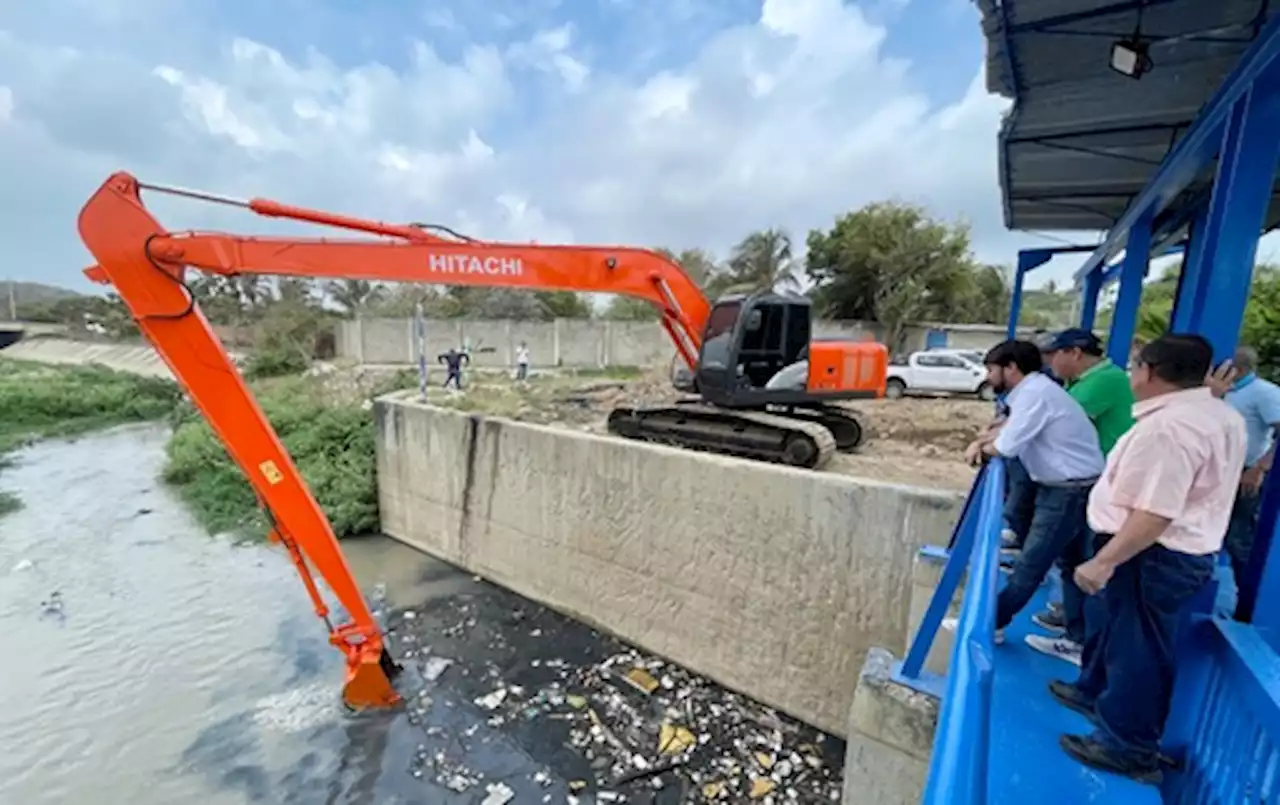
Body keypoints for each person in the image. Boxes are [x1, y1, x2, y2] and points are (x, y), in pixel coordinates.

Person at [1051, 334, 1245, 784]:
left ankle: (1127, 746)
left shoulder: (1171, 429)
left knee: (1136, 650)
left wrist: (1104, 562)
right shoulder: (1218, 414)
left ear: (1150, 370)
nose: (1131, 374)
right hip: (1165, 552)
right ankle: (1093, 692)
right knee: (1119, 634)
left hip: (1151, 554)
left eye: (1135, 365)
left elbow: (1156, 512)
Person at [962, 340, 1105, 646]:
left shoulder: (1034, 394)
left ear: (1011, 368)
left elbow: (1006, 446)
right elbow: (1008, 429)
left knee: (1031, 564)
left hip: (1068, 492)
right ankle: (1078, 639)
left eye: (991, 369)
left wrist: (980, 446)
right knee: (1071, 565)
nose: (988, 377)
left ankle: (990, 626)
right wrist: (987, 439)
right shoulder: (1035, 391)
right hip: (1075, 487)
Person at [1026, 328, 1137, 661]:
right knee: (1072, 560)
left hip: (1102, 484)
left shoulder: (1105, 380)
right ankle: (1075, 630)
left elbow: (1046, 421)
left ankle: (1085, 642)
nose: (1050, 363)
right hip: (1095, 484)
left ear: (1074, 353)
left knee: (1082, 561)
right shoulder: (1082, 382)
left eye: (1054, 355)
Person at [1207, 346, 1280, 619]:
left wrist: (1261, 466)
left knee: (1240, 539)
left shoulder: (1263, 393)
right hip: (1221, 472)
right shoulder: (1227, 393)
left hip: (1245, 473)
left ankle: (1248, 605)